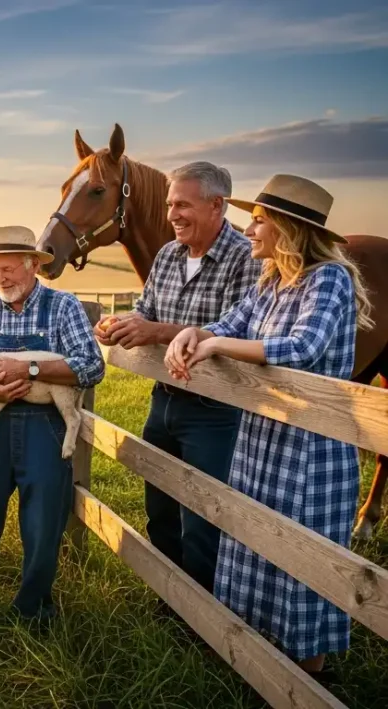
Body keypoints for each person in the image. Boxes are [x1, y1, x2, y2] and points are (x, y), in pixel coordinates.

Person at [165, 174, 373, 676]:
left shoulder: (328, 279)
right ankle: (261, 663)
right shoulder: (271, 282)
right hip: (262, 439)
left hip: (309, 448)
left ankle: (311, 675)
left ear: (286, 228)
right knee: (256, 543)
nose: (249, 229)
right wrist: (196, 332)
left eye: (258, 221)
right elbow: (228, 325)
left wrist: (215, 346)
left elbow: (302, 348)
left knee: (302, 559)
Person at [95, 161, 261, 595]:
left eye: (183, 204)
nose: (172, 214)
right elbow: (147, 310)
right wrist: (123, 322)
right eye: (170, 204)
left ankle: (205, 613)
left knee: (204, 513)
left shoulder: (245, 257)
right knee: (160, 503)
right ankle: (170, 596)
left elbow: (235, 330)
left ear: (216, 205)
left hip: (215, 410)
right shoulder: (169, 254)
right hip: (164, 398)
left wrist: (157, 332)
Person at [0, 226, 105, 625]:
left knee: (41, 522)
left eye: (8, 270)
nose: (0, 278)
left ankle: (34, 609)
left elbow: (91, 366)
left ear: (33, 265)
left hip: (44, 426)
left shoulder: (63, 306)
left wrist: (30, 367)